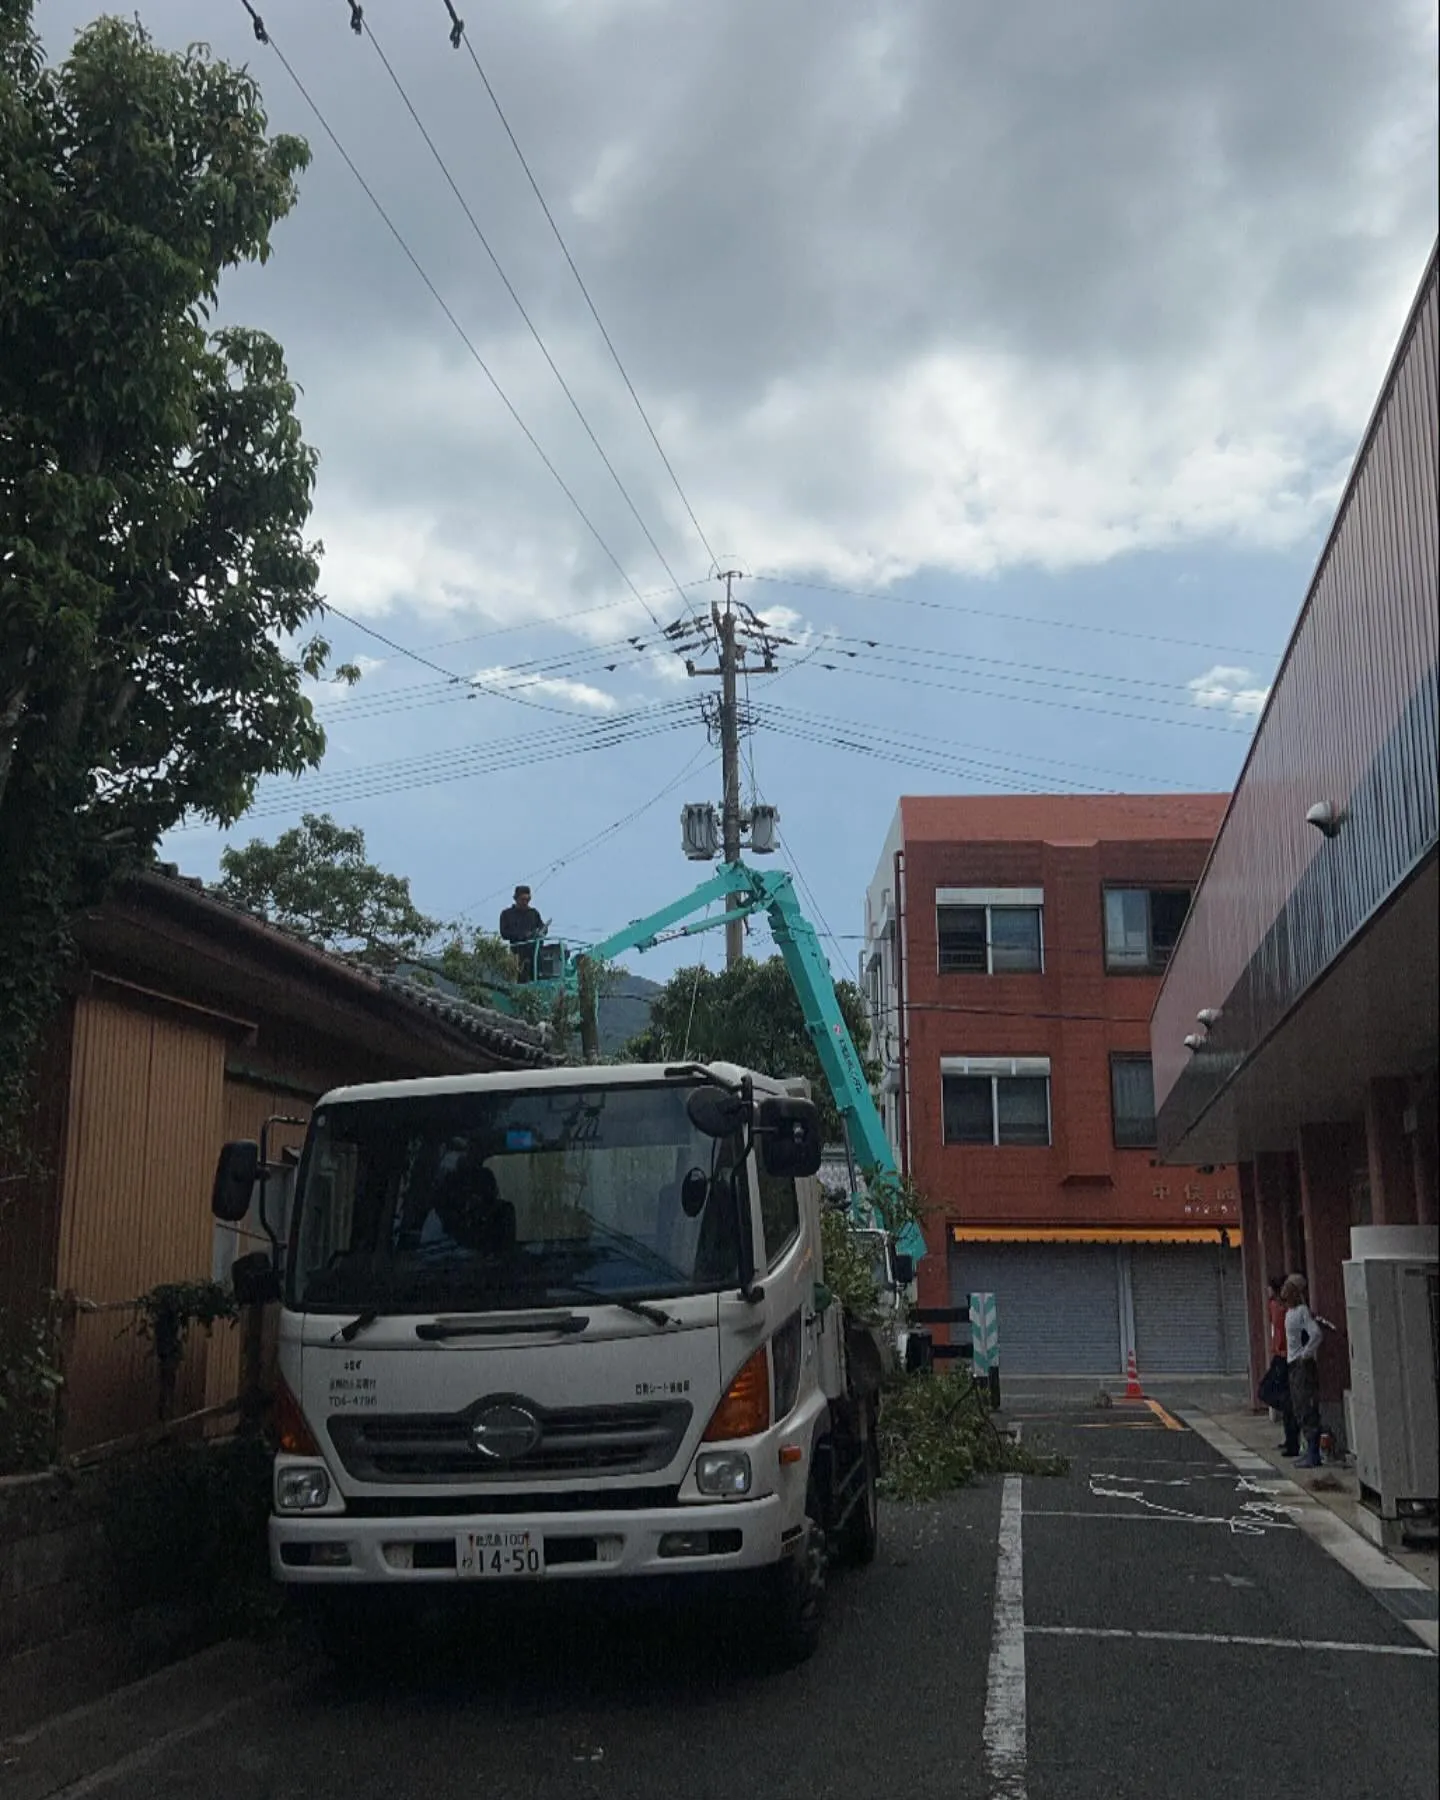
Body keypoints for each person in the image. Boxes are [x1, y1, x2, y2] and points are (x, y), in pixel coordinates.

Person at [1281, 1273, 1324, 1468]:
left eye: (1288, 1288)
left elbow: (1316, 1334)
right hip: (1292, 1363)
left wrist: (1305, 1355)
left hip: (1300, 1365)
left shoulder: (1301, 1311)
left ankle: (1313, 1453)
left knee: (1306, 1407)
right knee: (1298, 1407)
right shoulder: (1289, 1312)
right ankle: (1308, 1450)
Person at [1264, 1274, 1300, 1455]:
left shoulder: (1286, 1310)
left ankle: (1292, 1440)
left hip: (1286, 1357)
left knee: (1270, 1392)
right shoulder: (1279, 1308)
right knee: (1273, 1393)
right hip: (1281, 1355)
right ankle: (1290, 1437)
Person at [499, 885, 546, 982]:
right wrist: (522, 935)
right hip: (517, 953)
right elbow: (504, 933)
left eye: (527, 900)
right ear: (516, 899)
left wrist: (540, 932)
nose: (525, 902)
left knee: (536, 976)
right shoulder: (507, 914)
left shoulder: (533, 913)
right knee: (519, 978)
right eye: (522, 899)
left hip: (534, 953)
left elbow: (542, 927)